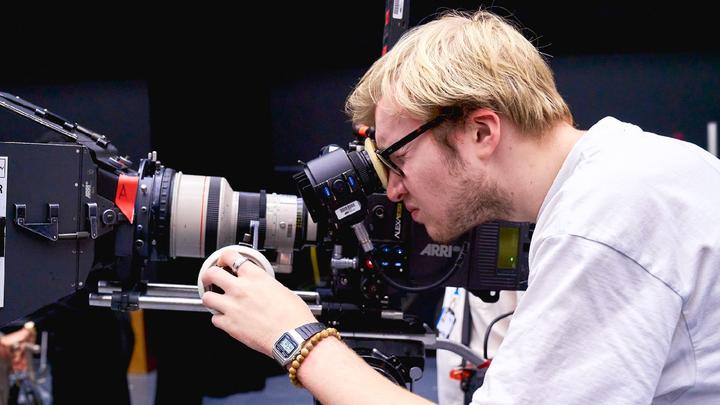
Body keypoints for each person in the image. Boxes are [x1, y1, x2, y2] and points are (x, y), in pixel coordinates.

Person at [200, 8, 720, 404]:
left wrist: (295, 337)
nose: (395, 191)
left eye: (397, 159)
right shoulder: (630, 170)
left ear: (480, 130)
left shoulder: (603, 220)